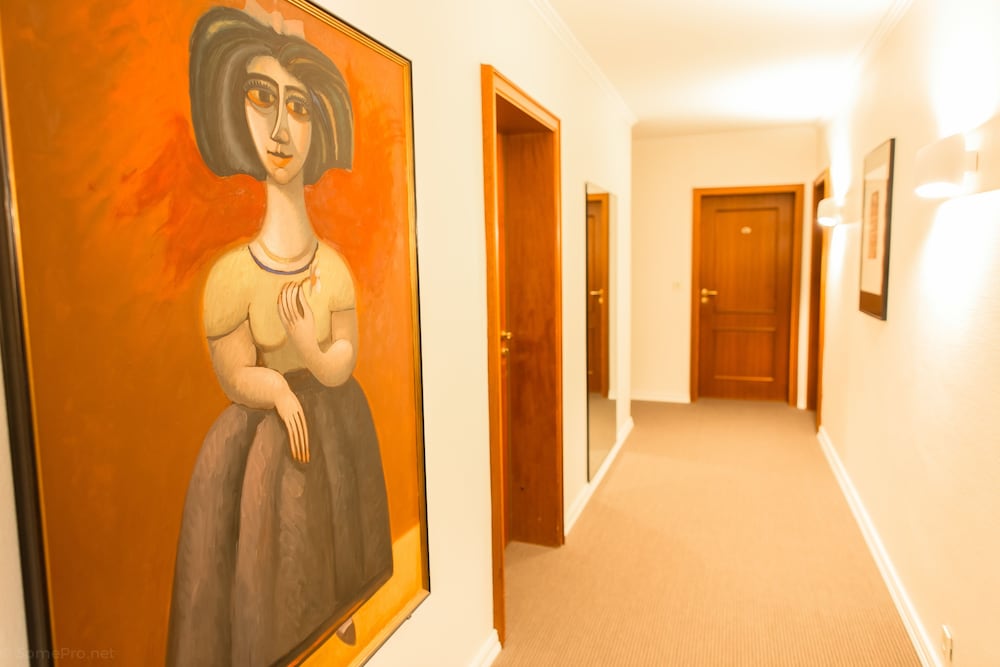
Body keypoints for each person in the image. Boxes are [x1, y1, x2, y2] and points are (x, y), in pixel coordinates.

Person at [167, 4, 392, 665]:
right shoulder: (231, 276)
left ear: (316, 124)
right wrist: (277, 391)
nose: (280, 128)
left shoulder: (336, 269)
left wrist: (313, 351)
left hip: (338, 427)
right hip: (261, 445)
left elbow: (344, 358)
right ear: (234, 110)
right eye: (261, 98)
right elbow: (234, 369)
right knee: (275, 546)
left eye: (297, 106)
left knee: (335, 530)